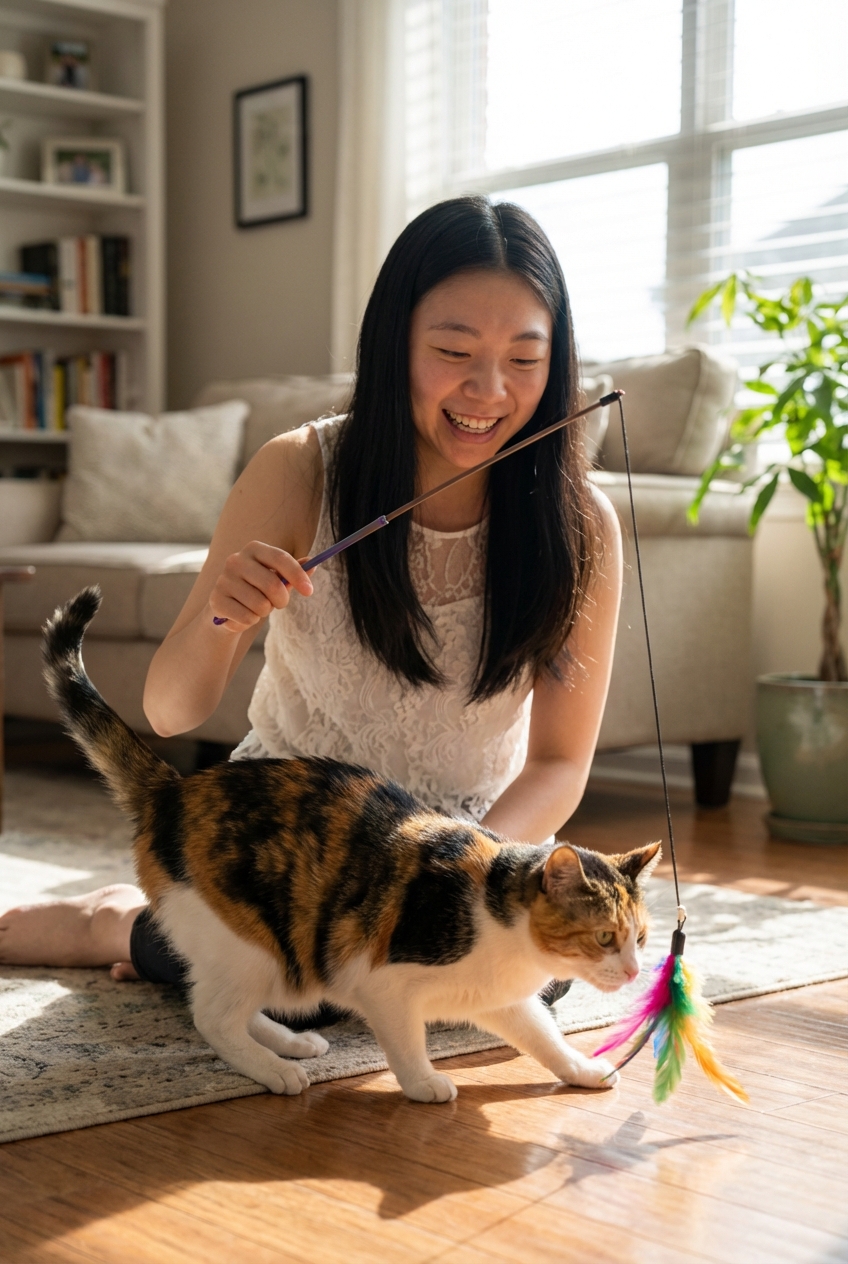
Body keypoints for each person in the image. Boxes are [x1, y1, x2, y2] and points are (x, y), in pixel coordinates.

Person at [0, 196, 622, 995]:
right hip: (293, 843)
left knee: (529, 982)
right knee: (296, 999)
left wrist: (463, 883)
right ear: (394, 340)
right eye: (452, 350)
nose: (488, 390)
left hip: (472, 852)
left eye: (525, 361)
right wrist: (223, 617)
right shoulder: (299, 469)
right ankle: (113, 921)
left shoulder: (582, 525)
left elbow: (561, 762)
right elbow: (169, 712)